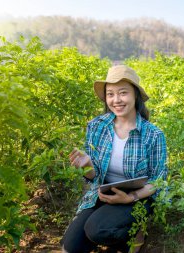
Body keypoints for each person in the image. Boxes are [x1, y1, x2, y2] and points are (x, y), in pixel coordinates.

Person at [61, 65, 168, 253]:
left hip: (138, 197)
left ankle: (135, 233)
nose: (116, 100)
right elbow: (94, 177)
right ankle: (109, 230)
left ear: (135, 95)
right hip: (103, 194)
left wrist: (130, 197)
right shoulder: (96, 126)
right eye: (110, 94)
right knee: (70, 247)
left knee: (97, 230)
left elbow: (158, 181)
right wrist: (87, 166)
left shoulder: (153, 135)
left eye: (123, 93)